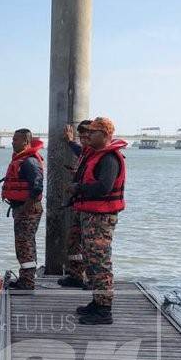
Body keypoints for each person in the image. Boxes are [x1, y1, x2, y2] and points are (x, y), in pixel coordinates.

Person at [66, 117, 127, 325]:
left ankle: (104, 310)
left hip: (101, 219)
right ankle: (96, 301)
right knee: (91, 261)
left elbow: (104, 187)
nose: (88, 136)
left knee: (100, 263)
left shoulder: (109, 159)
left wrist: (78, 188)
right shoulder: (94, 155)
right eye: (88, 132)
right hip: (90, 216)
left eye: (93, 132)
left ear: (105, 135)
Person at [1, 128, 44, 290]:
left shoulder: (29, 161)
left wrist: (26, 207)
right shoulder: (21, 160)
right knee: (24, 244)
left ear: (26, 142)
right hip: (20, 208)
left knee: (25, 244)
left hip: (27, 209)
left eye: (16, 140)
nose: (12, 142)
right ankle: (26, 278)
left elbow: (38, 186)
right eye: (12, 139)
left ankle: (27, 281)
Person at [58, 120, 93, 288]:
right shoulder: (85, 153)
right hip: (80, 207)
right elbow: (80, 150)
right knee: (73, 241)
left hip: (92, 210)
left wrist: (77, 187)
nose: (84, 139)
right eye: (81, 136)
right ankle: (76, 275)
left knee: (91, 245)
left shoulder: (98, 155)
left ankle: (91, 279)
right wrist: (71, 141)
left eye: (87, 135)